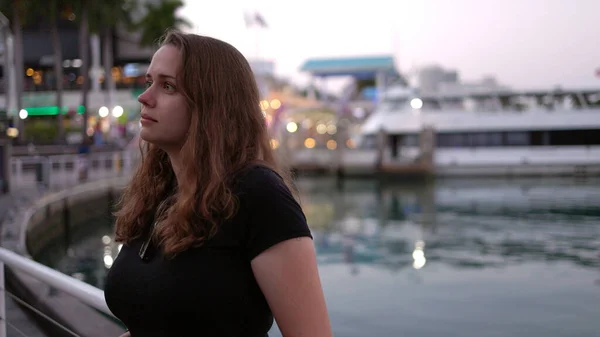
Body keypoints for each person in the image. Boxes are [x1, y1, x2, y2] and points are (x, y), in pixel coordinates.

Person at [103, 30, 332, 337]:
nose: (144, 97)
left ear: (211, 105)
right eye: (149, 82)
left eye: (167, 86)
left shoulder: (258, 195)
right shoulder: (160, 191)